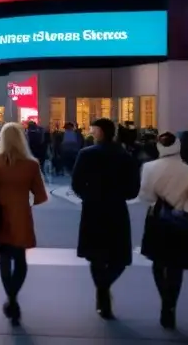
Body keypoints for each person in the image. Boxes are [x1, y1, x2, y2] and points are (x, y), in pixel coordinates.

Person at [0, 122, 49, 324]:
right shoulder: (32, 164)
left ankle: (11, 297)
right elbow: (40, 195)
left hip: (0, 215)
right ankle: (13, 297)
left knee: (4, 259)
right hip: (22, 216)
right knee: (20, 260)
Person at [138, 131, 188, 330]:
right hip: (180, 222)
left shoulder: (148, 167)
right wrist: (182, 211)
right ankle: (170, 306)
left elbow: (145, 196)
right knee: (176, 267)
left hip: (156, 220)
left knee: (158, 263)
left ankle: (164, 301)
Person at [70, 118, 141, 320]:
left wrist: (88, 195)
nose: (91, 133)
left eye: (93, 130)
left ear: (100, 132)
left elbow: (76, 183)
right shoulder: (125, 156)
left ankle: (102, 291)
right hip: (117, 209)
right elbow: (133, 189)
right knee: (119, 256)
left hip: (93, 209)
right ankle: (105, 287)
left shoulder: (86, 154)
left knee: (95, 255)